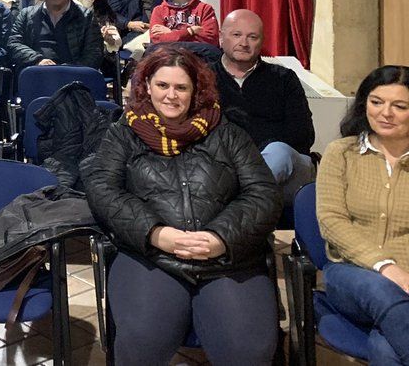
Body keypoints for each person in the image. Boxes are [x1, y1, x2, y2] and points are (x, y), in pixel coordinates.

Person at [81, 45, 282, 366]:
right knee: (141, 345)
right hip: (151, 256)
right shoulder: (124, 132)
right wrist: (155, 233)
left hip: (227, 260)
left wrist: (220, 238)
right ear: (146, 86)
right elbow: (102, 190)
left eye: (181, 87)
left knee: (249, 352)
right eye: (163, 85)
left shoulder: (227, 132)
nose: (171, 95)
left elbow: (263, 194)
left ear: (195, 91)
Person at [317, 64, 409, 365]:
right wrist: (386, 267)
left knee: (385, 349)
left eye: (400, 106)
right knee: (380, 289)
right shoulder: (341, 153)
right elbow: (332, 222)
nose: (385, 113)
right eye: (376, 102)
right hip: (350, 274)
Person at [213, 9, 314, 204]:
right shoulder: (204, 78)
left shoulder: (284, 79)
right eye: (236, 35)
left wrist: (251, 156)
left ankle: (237, 203)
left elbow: (303, 135)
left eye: (252, 37)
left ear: (261, 41)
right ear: (221, 38)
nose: (244, 43)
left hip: (287, 169)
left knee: (278, 151)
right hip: (225, 168)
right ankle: (243, 208)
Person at [5, 0, 101, 70]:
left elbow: (95, 51)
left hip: (74, 75)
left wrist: (73, 69)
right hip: (36, 72)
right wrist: (37, 59)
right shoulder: (27, 15)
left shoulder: (86, 16)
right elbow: (13, 43)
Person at [71, 0, 122, 77]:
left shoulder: (101, 6)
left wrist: (110, 41)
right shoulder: (69, 6)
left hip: (99, 61)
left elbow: (115, 42)